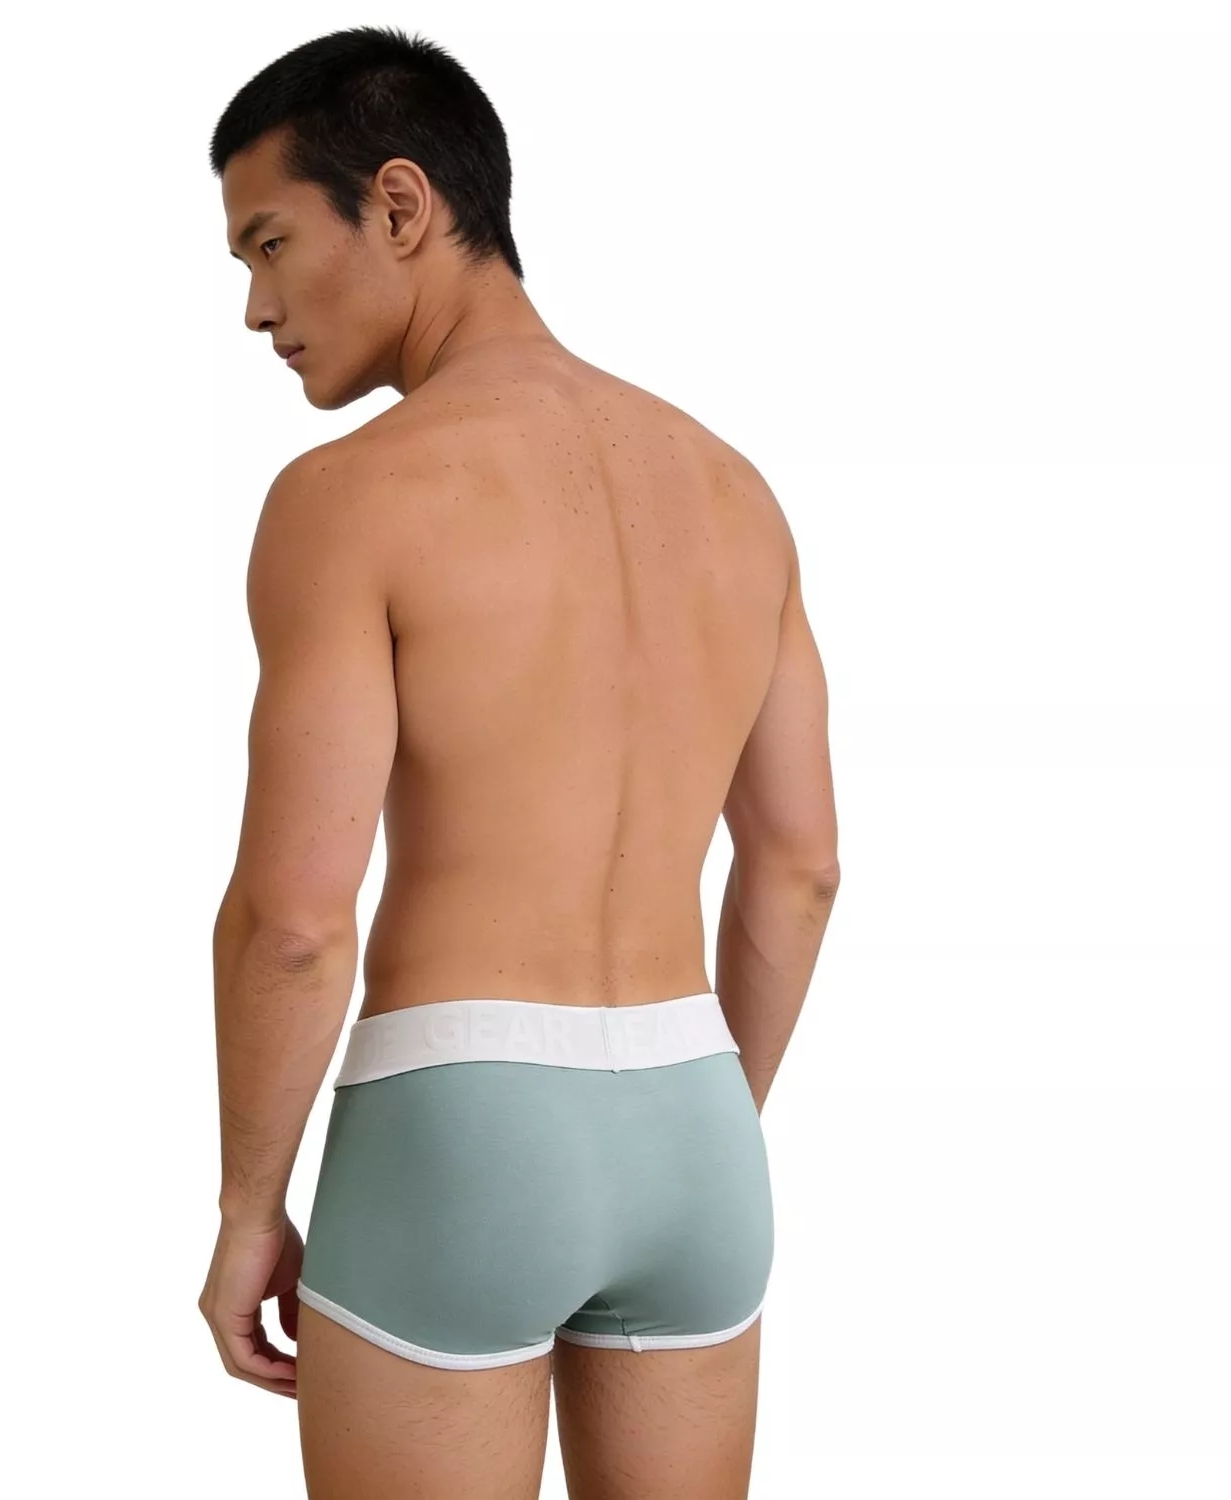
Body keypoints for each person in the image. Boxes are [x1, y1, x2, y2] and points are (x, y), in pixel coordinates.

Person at [197, 24, 839, 1500]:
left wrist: (247, 1209)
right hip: (696, 1124)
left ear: (401, 205)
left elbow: (295, 921)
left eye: (270, 243)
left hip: (456, 1125)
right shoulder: (734, 490)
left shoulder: (348, 500)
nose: (255, 307)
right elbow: (801, 867)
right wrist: (691, 1132)